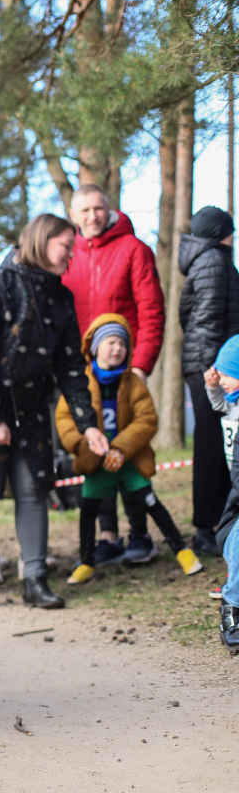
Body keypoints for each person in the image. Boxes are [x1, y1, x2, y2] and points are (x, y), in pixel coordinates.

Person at [0, 214, 108, 614]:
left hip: (30, 411)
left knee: (33, 491)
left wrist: (88, 425)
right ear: (40, 241)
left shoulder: (61, 297)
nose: (71, 254)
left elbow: (71, 366)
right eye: (65, 246)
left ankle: (35, 581)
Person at [58, 315, 201, 584]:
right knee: (88, 510)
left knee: (151, 502)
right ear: (95, 347)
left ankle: (181, 549)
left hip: (129, 459)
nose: (117, 349)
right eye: (111, 342)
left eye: (122, 343)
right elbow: (65, 420)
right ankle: (86, 561)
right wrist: (86, 447)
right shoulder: (80, 384)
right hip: (96, 462)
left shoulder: (133, 381)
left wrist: (121, 449)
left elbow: (147, 419)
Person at [62, 185, 165, 553]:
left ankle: (140, 532)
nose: (92, 216)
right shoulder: (66, 255)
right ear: (73, 215)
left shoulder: (134, 250)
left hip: (125, 373)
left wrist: (141, 367)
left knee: (131, 448)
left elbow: (151, 311)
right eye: (85, 210)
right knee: (96, 450)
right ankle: (108, 536)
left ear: (109, 210)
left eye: (99, 208)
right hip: (83, 376)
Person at [179, 206, 239, 557]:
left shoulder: (208, 259)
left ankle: (217, 524)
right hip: (213, 369)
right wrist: (215, 373)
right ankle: (206, 529)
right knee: (212, 449)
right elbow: (206, 321)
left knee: (218, 448)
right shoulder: (215, 260)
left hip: (213, 366)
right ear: (221, 232)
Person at [204, 336, 239, 653]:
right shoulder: (232, 402)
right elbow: (218, 403)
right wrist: (215, 385)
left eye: (227, 373)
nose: (222, 379)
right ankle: (232, 598)